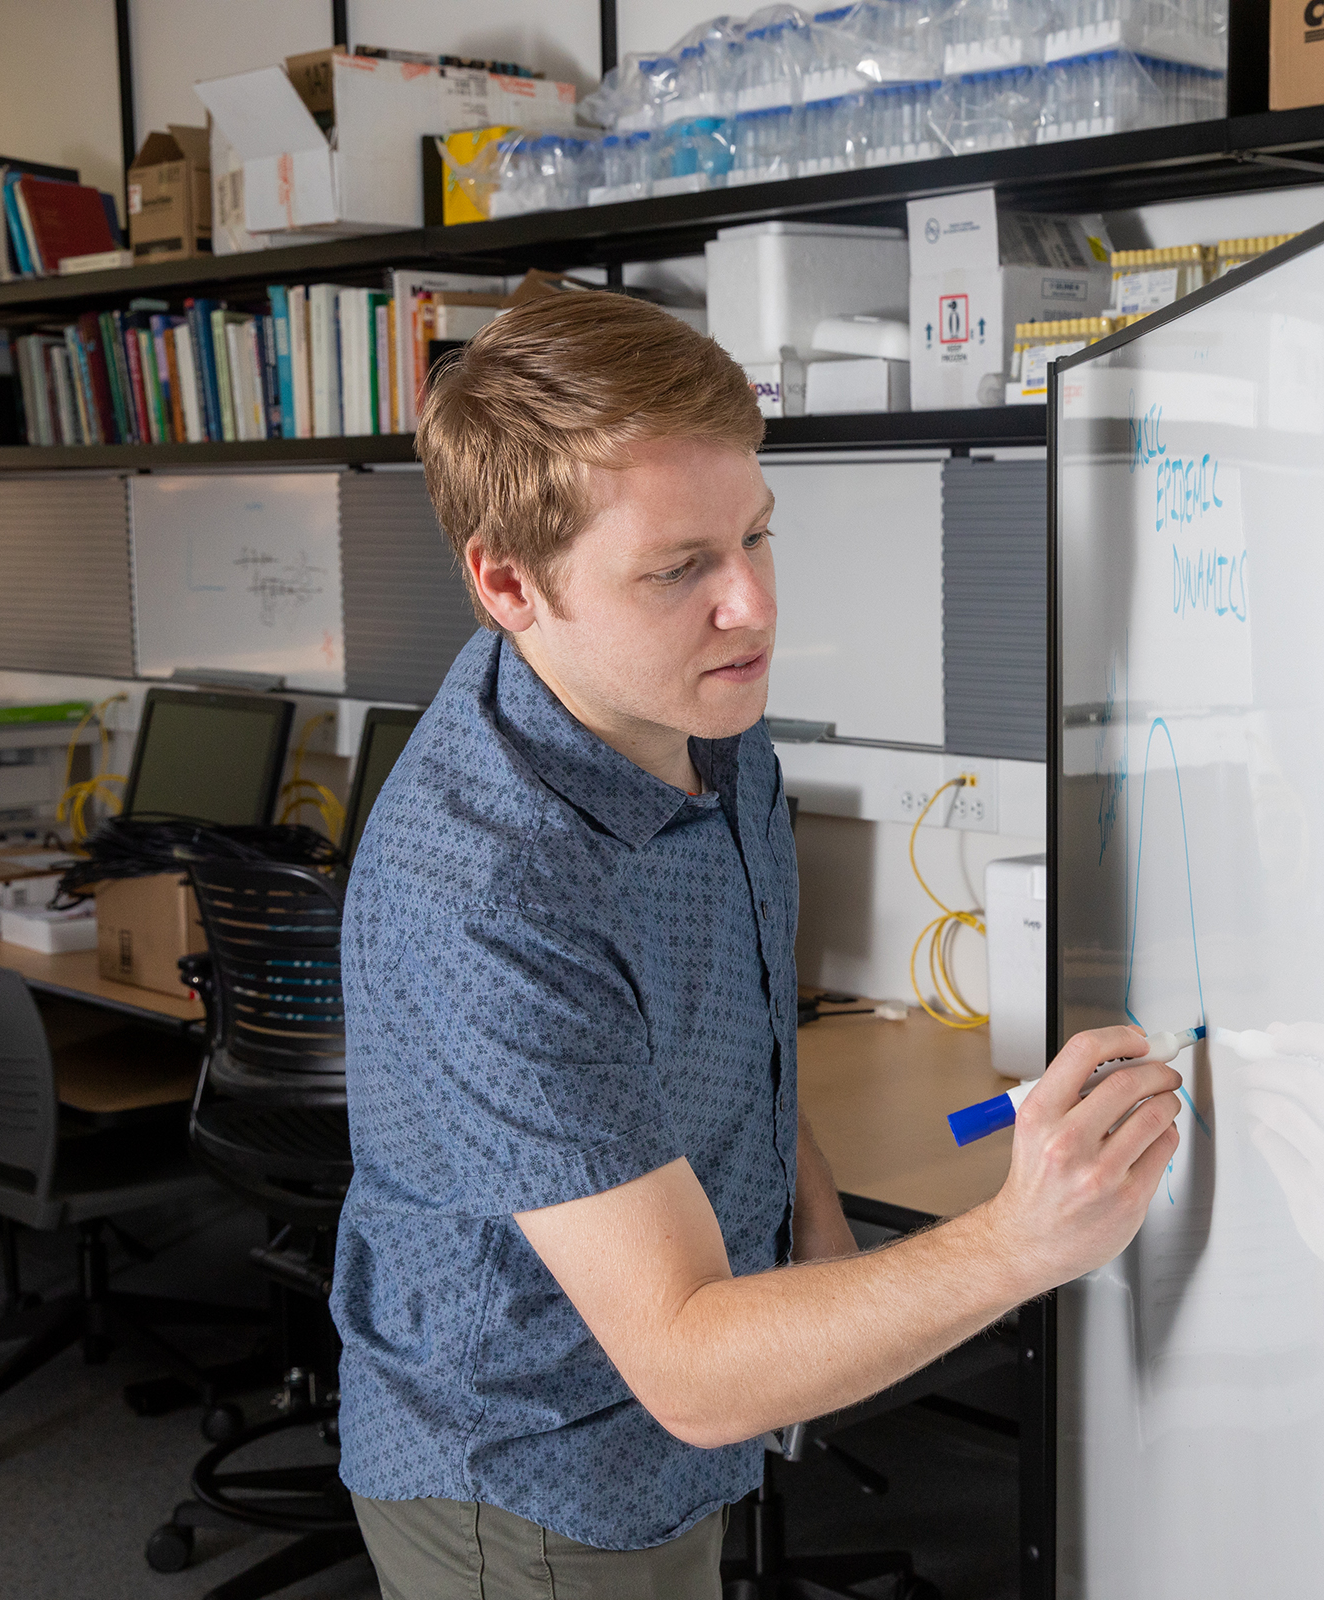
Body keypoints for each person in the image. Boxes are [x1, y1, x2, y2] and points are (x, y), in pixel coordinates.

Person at [332, 290, 1181, 1598]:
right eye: (680, 568)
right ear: (508, 581)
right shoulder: (490, 895)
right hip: (536, 1473)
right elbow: (685, 1362)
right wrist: (1024, 1238)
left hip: (675, 1420)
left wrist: (816, 1220)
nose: (752, 606)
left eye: (758, 537)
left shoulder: (701, 711)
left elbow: (726, 1020)